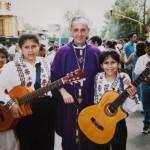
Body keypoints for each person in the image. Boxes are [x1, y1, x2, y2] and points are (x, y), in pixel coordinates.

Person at [51, 16, 101, 150]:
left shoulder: (96, 52)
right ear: (70, 31)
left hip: (90, 103)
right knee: (69, 139)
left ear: (88, 31)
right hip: (68, 105)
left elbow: (105, 74)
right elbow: (55, 76)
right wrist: (62, 91)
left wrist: (123, 75)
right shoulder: (62, 52)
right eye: (76, 30)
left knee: (89, 137)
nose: (79, 34)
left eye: (83, 30)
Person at [0, 34, 55, 150]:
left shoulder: (45, 62)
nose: (31, 50)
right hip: (24, 110)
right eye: (26, 47)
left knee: (47, 143)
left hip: (46, 109)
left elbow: (49, 83)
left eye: (34, 46)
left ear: (39, 46)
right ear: (20, 48)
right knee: (28, 144)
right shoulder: (11, 66)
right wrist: (11, 104)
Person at [94, 50, 139, 150]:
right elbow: (95, 98)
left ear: (119, 64)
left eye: (113, 62)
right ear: (101, 65)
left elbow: (129, 107)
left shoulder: (124, 78)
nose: (110, 66)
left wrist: (132, 95)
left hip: (118, 123)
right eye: (106, 63)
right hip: (99, 120)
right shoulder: (98, 77)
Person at [0, 46, 19, 150]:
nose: (0, 59)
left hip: (7, 114)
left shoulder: (11, 72)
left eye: (3, 57)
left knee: (10, 142)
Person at [134, 41, 150, 134]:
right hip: (145, 84)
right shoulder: (141, 59)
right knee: (146, 106)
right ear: (145, 48)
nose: (149, 49)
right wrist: (146, 70)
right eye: (148, 47)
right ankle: (146, 125)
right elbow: (137, 71)